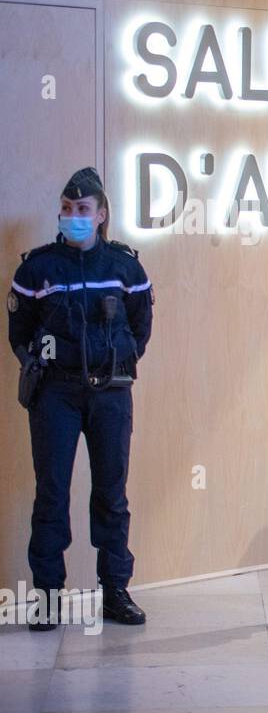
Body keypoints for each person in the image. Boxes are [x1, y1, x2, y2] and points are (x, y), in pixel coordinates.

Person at [7, 167, 153, 630]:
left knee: (111, 494)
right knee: (51, 494)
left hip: (111, 393)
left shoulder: (125, 267)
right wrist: (39, 367)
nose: (73, 217)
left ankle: (114, 593)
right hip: (56, 395)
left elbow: (140, 329)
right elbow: (19, 334)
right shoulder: (37, 267)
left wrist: (115, 364)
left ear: (101, 214)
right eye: (66, 209)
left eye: (83, 210)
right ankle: (48, 598)